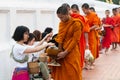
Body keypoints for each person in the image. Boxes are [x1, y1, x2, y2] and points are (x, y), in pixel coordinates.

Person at [51, 6, 83, 80]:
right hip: (62, 52)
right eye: (59, 18)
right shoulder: (61, 24)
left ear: (67, 14)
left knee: (73, 73)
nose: (61, 19)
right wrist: (59, 51)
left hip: (72, 52)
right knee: (61, 74)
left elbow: (75, 40)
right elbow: (60, 38)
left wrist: (65, 52)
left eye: (62, 17)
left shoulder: (76, 23)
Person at [70, 4, 90, 68]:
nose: (74, 13)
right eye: (73, 12)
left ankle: (80, 69)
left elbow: (86, 31)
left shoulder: (82, 18)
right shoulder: (68, 18)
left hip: (80, 40)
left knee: (81, 55)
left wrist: (87, 43)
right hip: (71, 40)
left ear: (78, 11)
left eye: (75, 12)